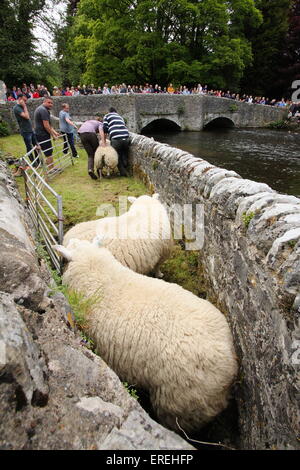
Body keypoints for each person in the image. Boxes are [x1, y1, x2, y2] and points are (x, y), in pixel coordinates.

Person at [13, 93, 40, 168]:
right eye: (25, 98)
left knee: (36, 146)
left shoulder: (21, 106)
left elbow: (28, 119)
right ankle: (34, 164)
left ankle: (38, 162)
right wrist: (24, 106)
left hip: (30, 130)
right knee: (29, 148)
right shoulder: (17, 108)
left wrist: (32, 127)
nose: (26, 100)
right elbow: (27, 117)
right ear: (20, 98)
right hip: (25, 131)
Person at [34, 96, 60, 171]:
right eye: (49, 102)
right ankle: (51, 169)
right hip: (42, 134)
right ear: (44, 102)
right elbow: (46, 126)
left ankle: (51, 167)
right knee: (48, 153)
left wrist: (55, 133)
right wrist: (53, 135)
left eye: (52, 103)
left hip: (41, 134)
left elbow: (49, 125)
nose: (50, 104)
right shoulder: (43, 110)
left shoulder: (44, 109)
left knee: (48, 152)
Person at [102, 107, 130, 177]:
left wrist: (104, 141)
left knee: (116, 156)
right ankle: (125, 163)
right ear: (115, 111)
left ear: (109, 111)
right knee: (124, 152)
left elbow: (105, 129)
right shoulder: (120, 117)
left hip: (116, 139)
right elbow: (123, 126)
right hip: (126, 137)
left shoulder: (107, 116)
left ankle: (123, 172)